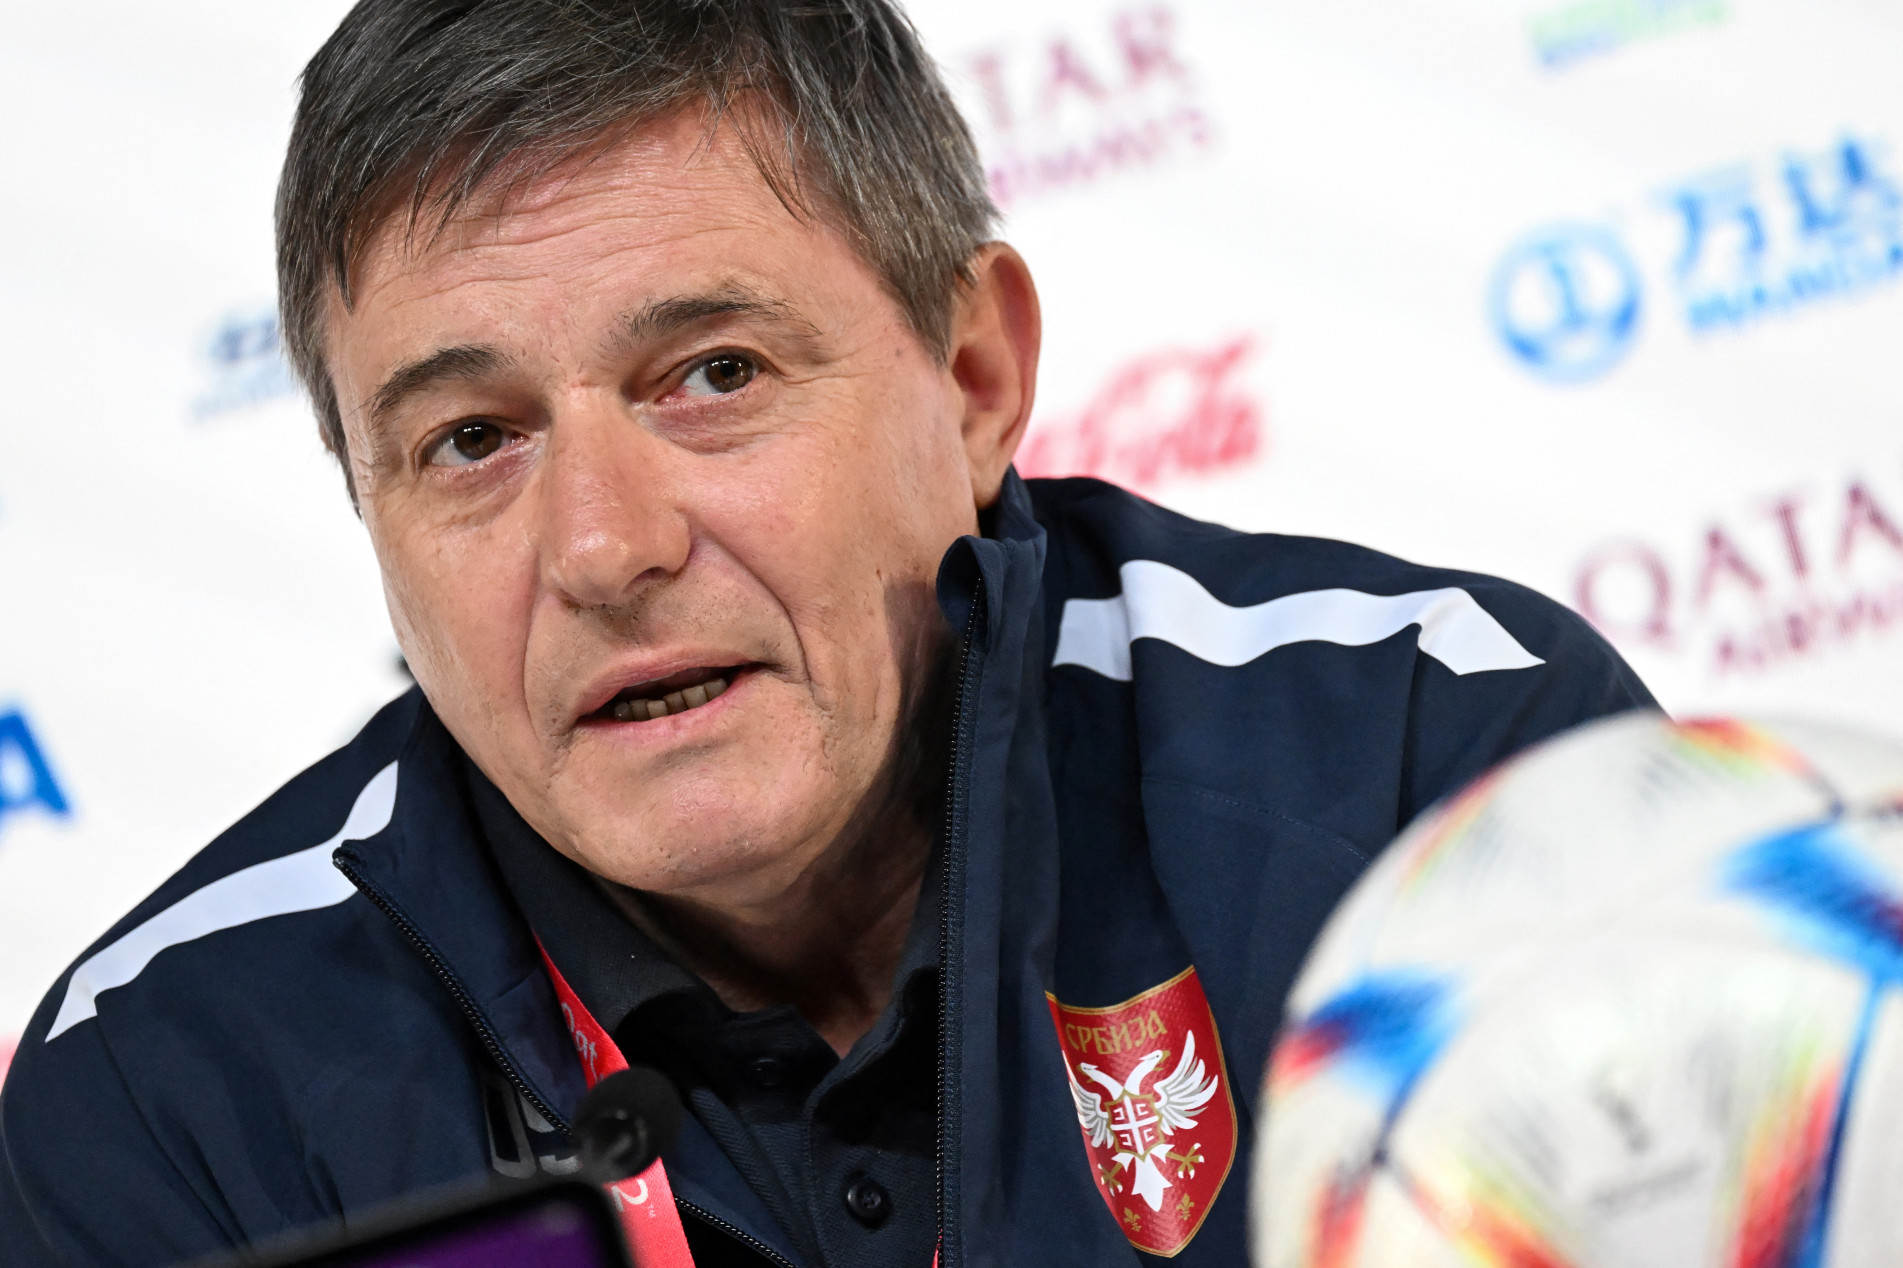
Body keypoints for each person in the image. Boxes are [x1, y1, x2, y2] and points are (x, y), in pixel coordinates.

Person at [0, 2, 1654, 1265]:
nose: (604, 549)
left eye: (714, 375)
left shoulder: (1433, 777)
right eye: (471, 442)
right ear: (367, 504)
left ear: (974, 378)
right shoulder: (170, 1096)